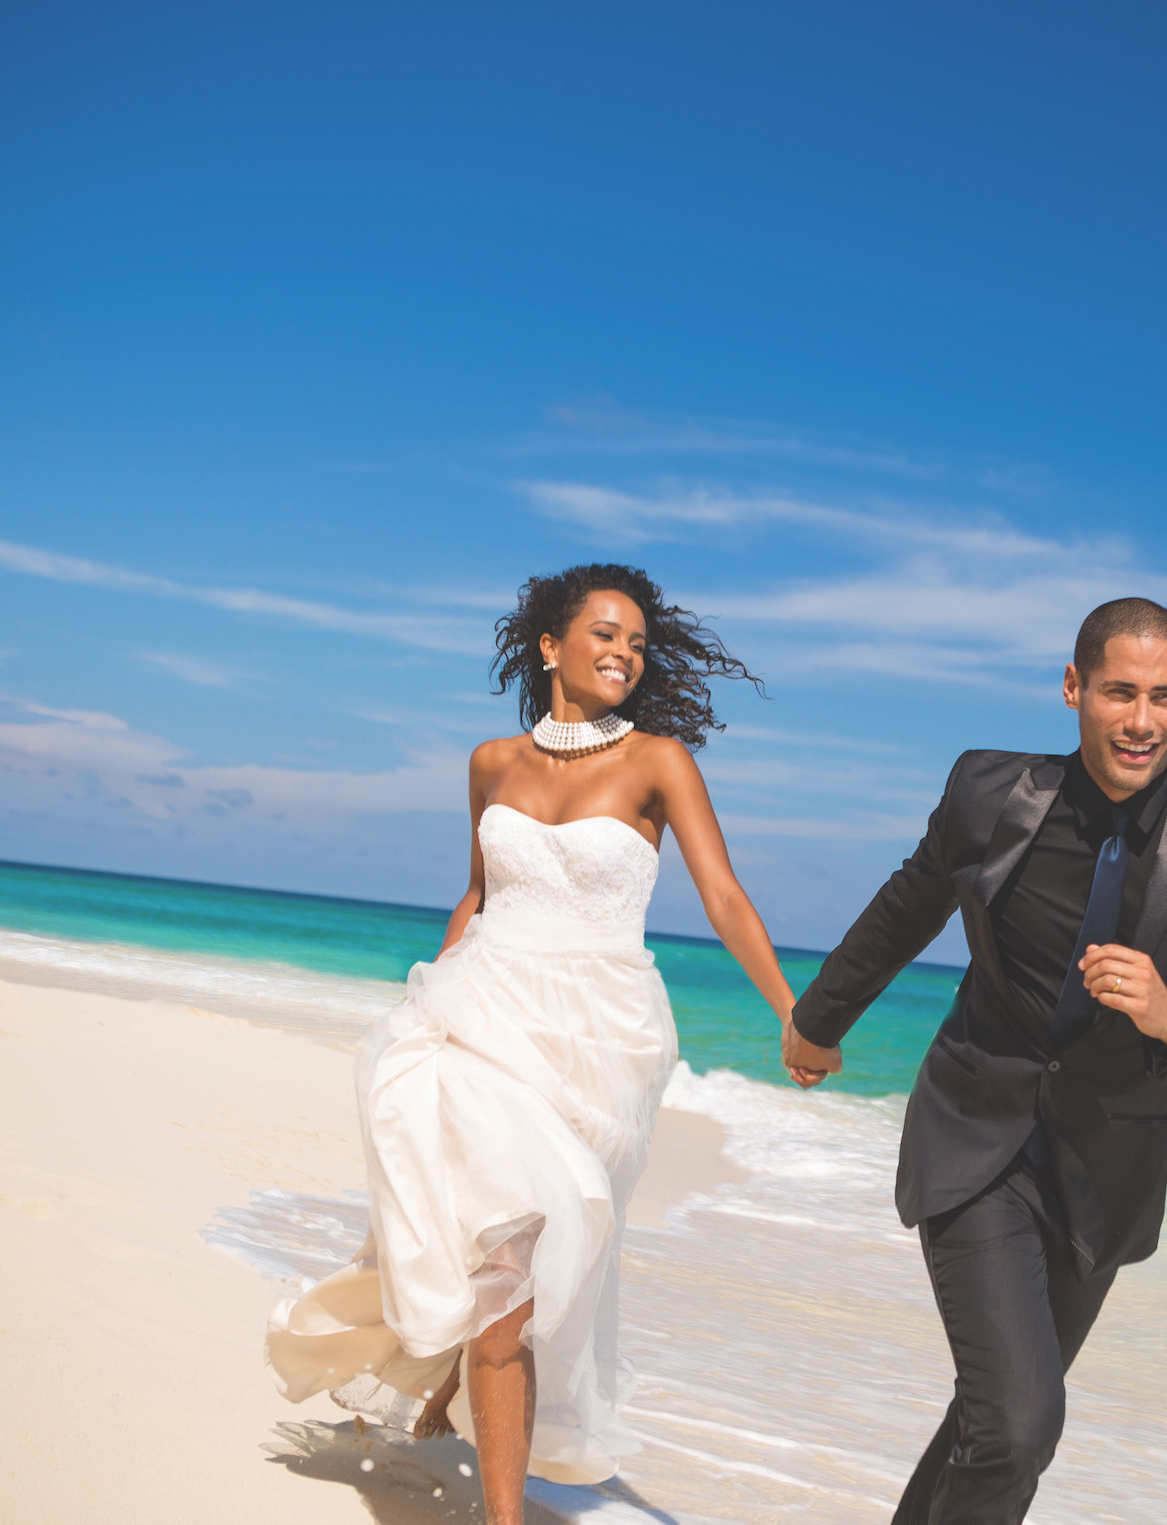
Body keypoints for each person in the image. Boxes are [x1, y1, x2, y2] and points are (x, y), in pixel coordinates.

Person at [267, 563, 804, 1525]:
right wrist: (430, 1000)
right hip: (483, 1011)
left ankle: (459, 1393)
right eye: (605, 634)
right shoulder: (490, 763)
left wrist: (791, 1010)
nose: (624, 655)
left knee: (546, 1258)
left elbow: (722, 896)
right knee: (501, 1267)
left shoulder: (659, 761)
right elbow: (478, 890)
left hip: (600, 1038)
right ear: (550, 645)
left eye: (638, 643)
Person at [784, 597, 1167, 1524]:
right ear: (1074, 689)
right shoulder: (991, 792)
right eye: (1119, 692)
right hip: (973, 1136)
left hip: (1103, 1182)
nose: (1142, 719)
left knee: (989, 1427)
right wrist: (819, 1020)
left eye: (1164, 696)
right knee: (1021, 1423)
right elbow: (908, 906)